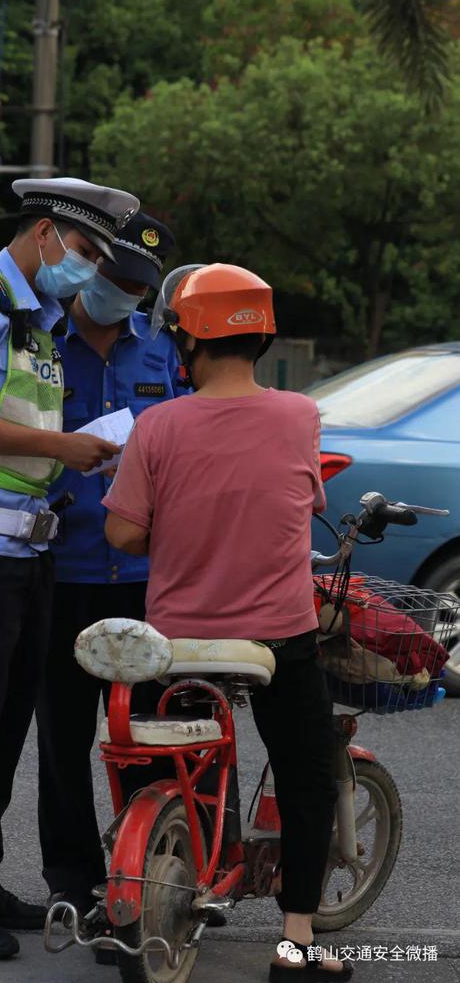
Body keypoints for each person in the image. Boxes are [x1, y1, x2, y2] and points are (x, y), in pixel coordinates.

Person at [102, 264, 352, 981]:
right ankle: (296, 942)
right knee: (305, 778)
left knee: (165, 760)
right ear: (261, 335)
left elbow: (122, 535)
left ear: (189, 343)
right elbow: (297, 507)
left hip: (175, 642)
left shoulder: (157, 426)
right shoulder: (300, 417)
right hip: (276, 639)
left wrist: (174, 533)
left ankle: (166, 869)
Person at [0, 177, 139, 961]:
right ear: (44, 233)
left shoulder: (37, 322)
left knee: (4, 733)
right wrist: (62, 447)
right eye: (80, 251)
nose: (84, 272)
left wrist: (90, 455)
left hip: (29, 554)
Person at [36, 213, 186, 920]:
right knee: (64, 738)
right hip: (63, 571)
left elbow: (188, 440)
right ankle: (73, 882)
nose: (121, 293)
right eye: (113, 278)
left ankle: (154, 873)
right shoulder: (40, 346)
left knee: (154, 738)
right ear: (86, 264)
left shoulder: (159, 352)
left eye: (135, 286)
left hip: (148, 579)